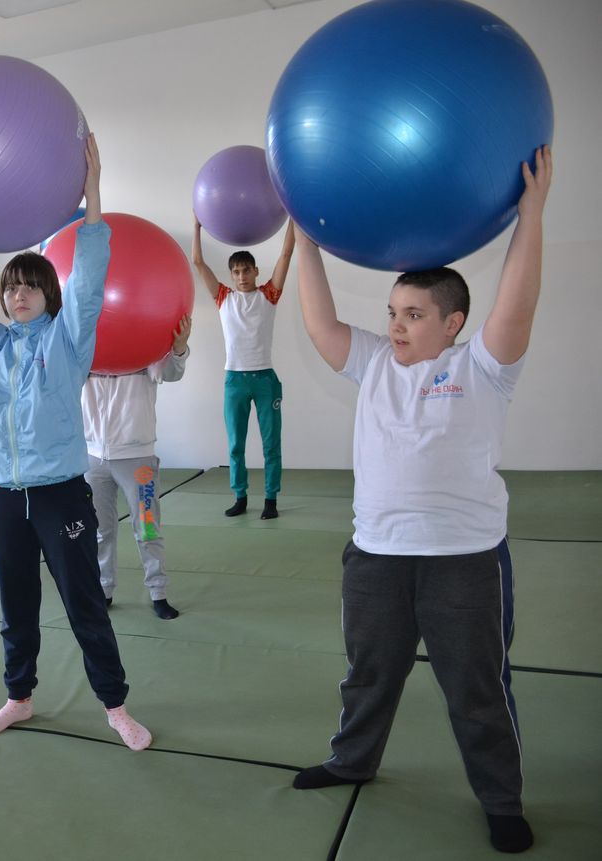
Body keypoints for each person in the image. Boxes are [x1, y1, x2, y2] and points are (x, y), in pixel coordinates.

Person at [290, 147, 552, 855]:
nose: (396, 325)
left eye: (412, 314)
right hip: (376, 556)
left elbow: (519, 301)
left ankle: (501, 800)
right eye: (392, 312)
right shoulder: (374, 362)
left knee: (477, 690)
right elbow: (319, 325)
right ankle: (352, 760)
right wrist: (304, 243)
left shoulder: (484, 368)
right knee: (369, 675)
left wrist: (531, 213)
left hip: (464, 561)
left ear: (453, 322)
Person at [0, 134, 151, 752]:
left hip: (59, 495)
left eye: (29, 286)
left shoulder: (67, 341)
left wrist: (93, 194)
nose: (17, 294)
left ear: (49, 293)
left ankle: (115, 705)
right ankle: (18, 697)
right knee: (15, 605)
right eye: (10, 287)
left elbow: (90, 282)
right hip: (0, 495)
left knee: (83, 603)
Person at [82, 314, 192, 619]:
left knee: (147, 527)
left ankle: (158, 593)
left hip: (137, 457)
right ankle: (104, 589)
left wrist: (179, 348)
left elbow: (171, 372)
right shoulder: (86, 350)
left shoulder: (144, 347)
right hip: (92, 458)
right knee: (100, 530)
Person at [191, 219, 295, 519]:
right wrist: (196, 227)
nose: (241, 276)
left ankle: (271, 500)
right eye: (236, 272)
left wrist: (293, 218)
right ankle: (240, 496)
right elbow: (198, 262)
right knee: (236, 444)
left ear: (256, 271)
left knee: (271, 444)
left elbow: (286, 254)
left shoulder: (268, 295)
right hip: (235, 380)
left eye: (246, 270)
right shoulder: (224, 298)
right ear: (231, 275)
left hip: (265, 380)